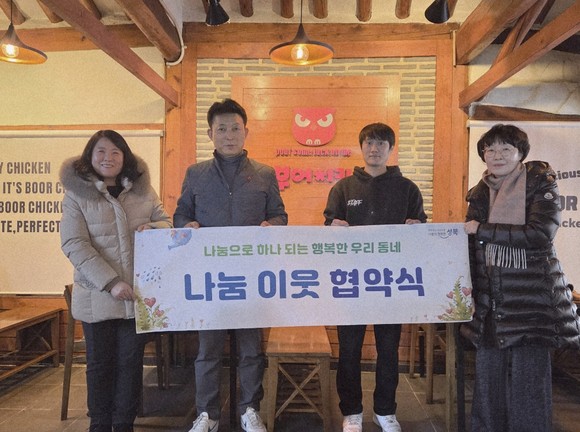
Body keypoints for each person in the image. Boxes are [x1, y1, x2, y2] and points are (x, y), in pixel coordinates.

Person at [174, 98, 288, 432]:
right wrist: (187, 225)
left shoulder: (264, 174)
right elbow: (181, 214)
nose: (229, 135)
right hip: (211, 278)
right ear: (210, 133)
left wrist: (272, 225)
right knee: (208, 350)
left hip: (251, 277)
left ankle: (250, 409)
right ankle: (207, 414)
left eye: (235, 128)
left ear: (245, 132)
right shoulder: (196, 174)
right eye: (221, 129)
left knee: (251, 349)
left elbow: (279, 214)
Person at [460, 124, 580, 432]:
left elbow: (540, 234)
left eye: (505, 149)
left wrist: (483, 230)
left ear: (520, 153)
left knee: (529, 384)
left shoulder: (540, 184)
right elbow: (471, 247)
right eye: (490, 149)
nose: (497, 155)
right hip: (491, 300)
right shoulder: (479, 193)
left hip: (532, 300)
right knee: (487, 381)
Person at [60, 130, 172, 432]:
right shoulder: (76, 195)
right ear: (90, 156)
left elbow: (167, 222)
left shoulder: (143, 191)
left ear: (125, 156)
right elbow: (74, 244)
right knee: (99, 366)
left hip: (136, 296)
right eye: (101, 152)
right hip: (98, 296)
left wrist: (154, 227)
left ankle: (124, 425)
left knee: (130, 366)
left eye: (115, 152)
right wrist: (111, 283)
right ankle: (99, 425)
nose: (108, 158)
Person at [323, 122, 427, 432]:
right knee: (349, 351)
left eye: (381, 143)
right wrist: (333, 227)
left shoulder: (407, 188)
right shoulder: (343, 188)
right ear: (361, 147)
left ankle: (385, 411)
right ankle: (351, 412)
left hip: (391, 283)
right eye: (369, 142)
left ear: (390, 149)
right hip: (351, 283)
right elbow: (328, 229)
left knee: (388, 350)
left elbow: (420, 230)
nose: (374, 148)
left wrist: (416, 228)